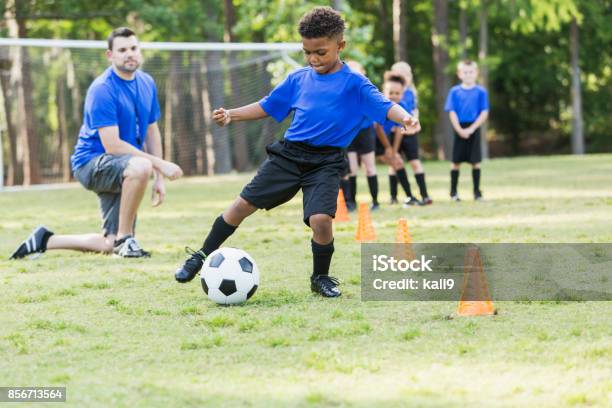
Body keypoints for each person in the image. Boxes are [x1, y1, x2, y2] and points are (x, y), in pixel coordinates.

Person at [173, 7, 420, 297]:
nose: (313, 59)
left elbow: (385, 105)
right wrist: (232, 114)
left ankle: (320, 277)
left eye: (321, 52)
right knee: (240, 207)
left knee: (321, 221)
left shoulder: (355, 84)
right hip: (289, 156)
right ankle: (200, 256)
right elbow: (267, 105)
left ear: (340, 46)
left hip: (326, 162)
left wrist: (405, 118)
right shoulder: (298, 79)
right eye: (307, 52)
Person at [9, 27, 183, 260]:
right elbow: (112, 146)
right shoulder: (102, 89)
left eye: (133, 48)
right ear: (110, 55)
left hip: (122, 166)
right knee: (142, 166)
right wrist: (160, 165)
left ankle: (44, 240)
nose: (129, 53)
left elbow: (152, 130)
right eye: (122, 50)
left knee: (107, 243)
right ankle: (125, 239)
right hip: (91, 164)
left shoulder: (147, 83)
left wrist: (159, 179)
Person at [444, 59, 489, 201]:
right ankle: (453, 193)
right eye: (465, 72)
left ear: (476, 73)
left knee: (476, 161)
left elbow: (484, 112)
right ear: (459, 74)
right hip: (459, 128)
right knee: (456, 162)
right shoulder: (454, 91)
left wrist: (472, 128)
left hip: (474, 128)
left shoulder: (481, 91)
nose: (468, 75)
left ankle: (477, 192)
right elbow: (451, 111)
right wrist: (459, 129)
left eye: (471, 72)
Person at [374, 73, 421, 207]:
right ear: (384, 91)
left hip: (389, 139)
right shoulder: (380, 104)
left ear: (402, 93)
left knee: (398, 162)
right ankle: (404, 196)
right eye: (391, 92)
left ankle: (408, 196)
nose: (394, 96)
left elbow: (401, 130)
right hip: (376, 139)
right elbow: (378, 129)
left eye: (397, 93)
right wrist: (388, 148)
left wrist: (394, 151)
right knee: (395, 163)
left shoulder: (403, 105)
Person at [390, 62, 432, 205]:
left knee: (415, 162)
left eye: (406, 74)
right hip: (394, 131)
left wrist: (415, 123)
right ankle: (393, 196)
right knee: (394, 162)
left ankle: (424, 195)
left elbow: (414, 111)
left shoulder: (411, 93)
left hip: (409, 132)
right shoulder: (390, 91)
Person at [345, 60, 380, 211]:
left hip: (366, 132)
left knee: (370, 168)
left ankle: (375, 201)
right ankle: (351, 202)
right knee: (352, 169)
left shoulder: (367, 89)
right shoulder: (343, 91)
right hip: (350, 133)